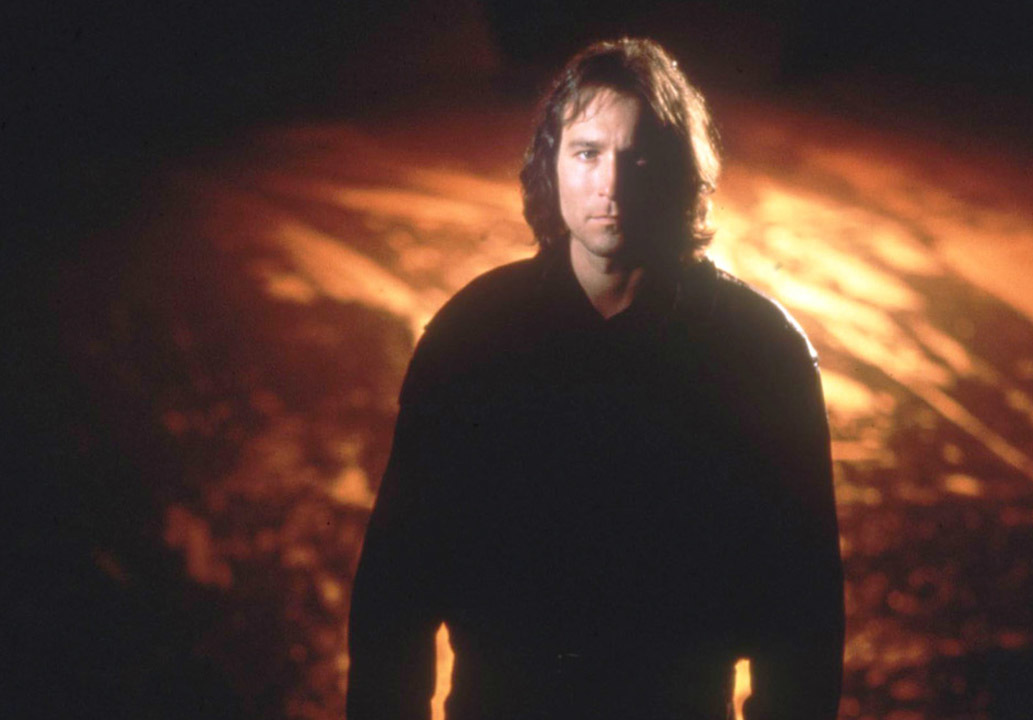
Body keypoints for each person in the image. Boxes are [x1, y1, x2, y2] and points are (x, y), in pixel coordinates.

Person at [347, 38, 844, 720]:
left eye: (639, 157)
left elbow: (802, 613)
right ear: (549, 163)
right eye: (587, 153)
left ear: (680, 173)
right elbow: (399, 582)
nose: (611, 185)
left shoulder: (760, 350)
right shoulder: (474, 334)